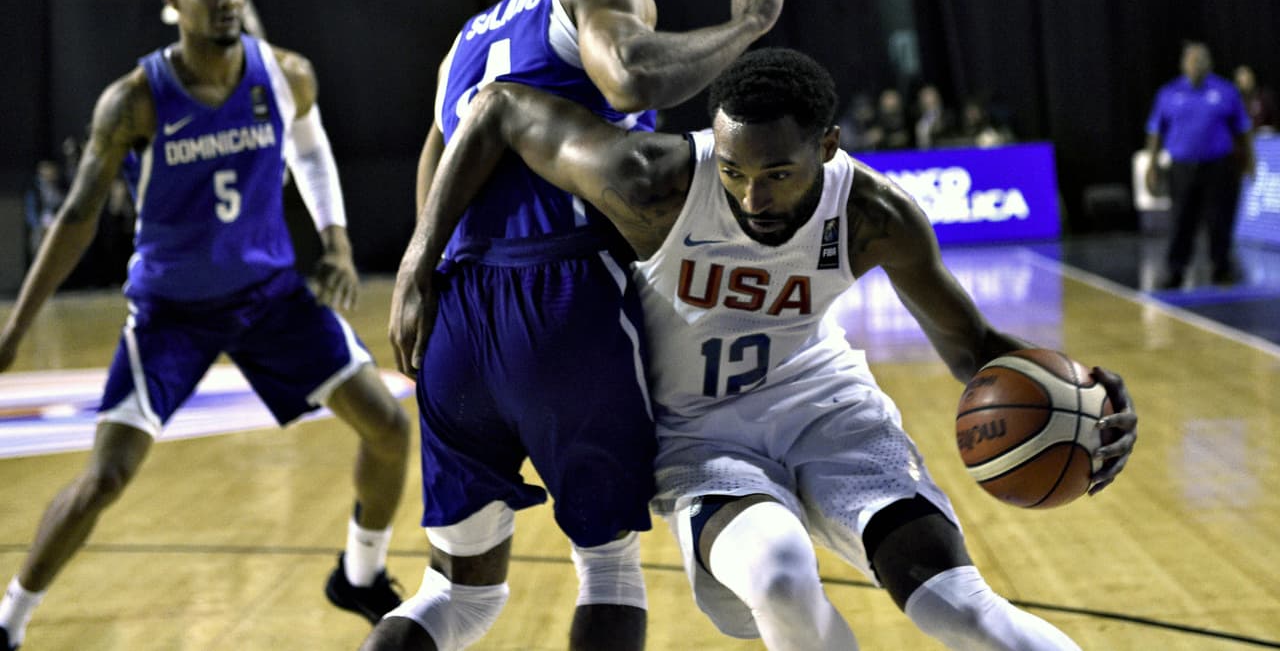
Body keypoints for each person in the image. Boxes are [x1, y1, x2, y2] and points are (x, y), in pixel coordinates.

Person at [394, 47, 1139, 650]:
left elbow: (971, 347)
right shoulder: (655, 183)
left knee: (961, 607)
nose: (752, 199)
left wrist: (1082, 399)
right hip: (702, 438)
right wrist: (417, 262)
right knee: (781, 578)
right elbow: (498, 109)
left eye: (777, 174)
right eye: (734, 171)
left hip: (832, 415)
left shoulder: (874, 213)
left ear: (828, 145)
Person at [365, 0, 797, 651]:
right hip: (563, 296)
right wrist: (750, 23)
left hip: (457, 315)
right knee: (608, 570)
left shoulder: (462, 43)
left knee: (456, 595)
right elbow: (630, 76)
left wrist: (419, 273)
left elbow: (437, 160)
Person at [0, 0, 411, 651]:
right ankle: (10, 622)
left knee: (389, 425)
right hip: (171, 313)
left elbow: (312, 153)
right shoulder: (134, 100)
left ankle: (359, 572)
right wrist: (15, 326)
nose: (228, 0)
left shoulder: (285, 73)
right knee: (105, 477)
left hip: (269, 298)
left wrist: (338, 242)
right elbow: (76, 217)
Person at [1144, 41, 1255, 288]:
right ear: (1183, 63)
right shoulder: (1169, 93)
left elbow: (1243, 130)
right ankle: (1175, 270)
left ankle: (1221, 268)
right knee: (1181, 220)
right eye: (1192, 60)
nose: (1197, 65)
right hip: (1182, 168)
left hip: (1218, 166)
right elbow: (1155, 132)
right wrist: (1152, 166)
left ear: (1210, 63)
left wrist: (1251, 161)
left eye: (1202, 59)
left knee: (1220, 220)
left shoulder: (1226, 91)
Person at [1234, 64, 1277, 133]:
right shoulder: (1234, 100)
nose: (1245, 82)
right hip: (1243, 139)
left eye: (1247, 78)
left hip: (1264, 139)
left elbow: (1275, 119)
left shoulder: (1264, 96)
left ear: (1253, 77)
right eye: (1240, 80)